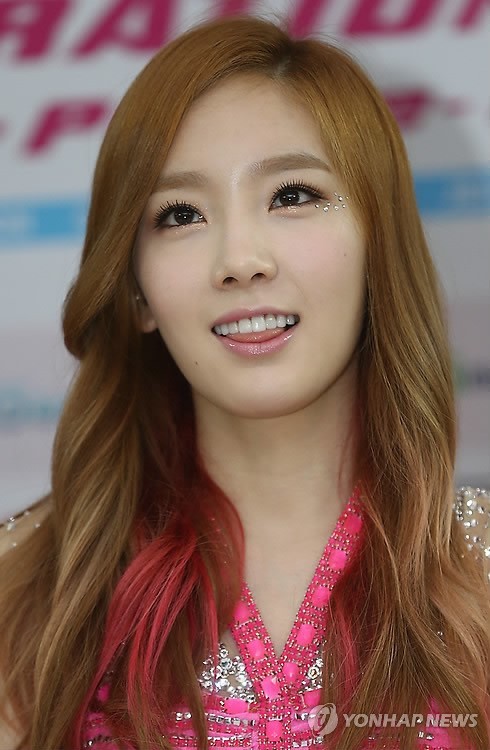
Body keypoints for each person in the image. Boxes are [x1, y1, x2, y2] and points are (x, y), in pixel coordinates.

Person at [0, 13, 489, 750]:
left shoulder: (480, 575)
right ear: (136, 292)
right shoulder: (27, 592)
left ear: (378, 244)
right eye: (180, 214)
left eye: (291, 196)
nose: (239, 260)